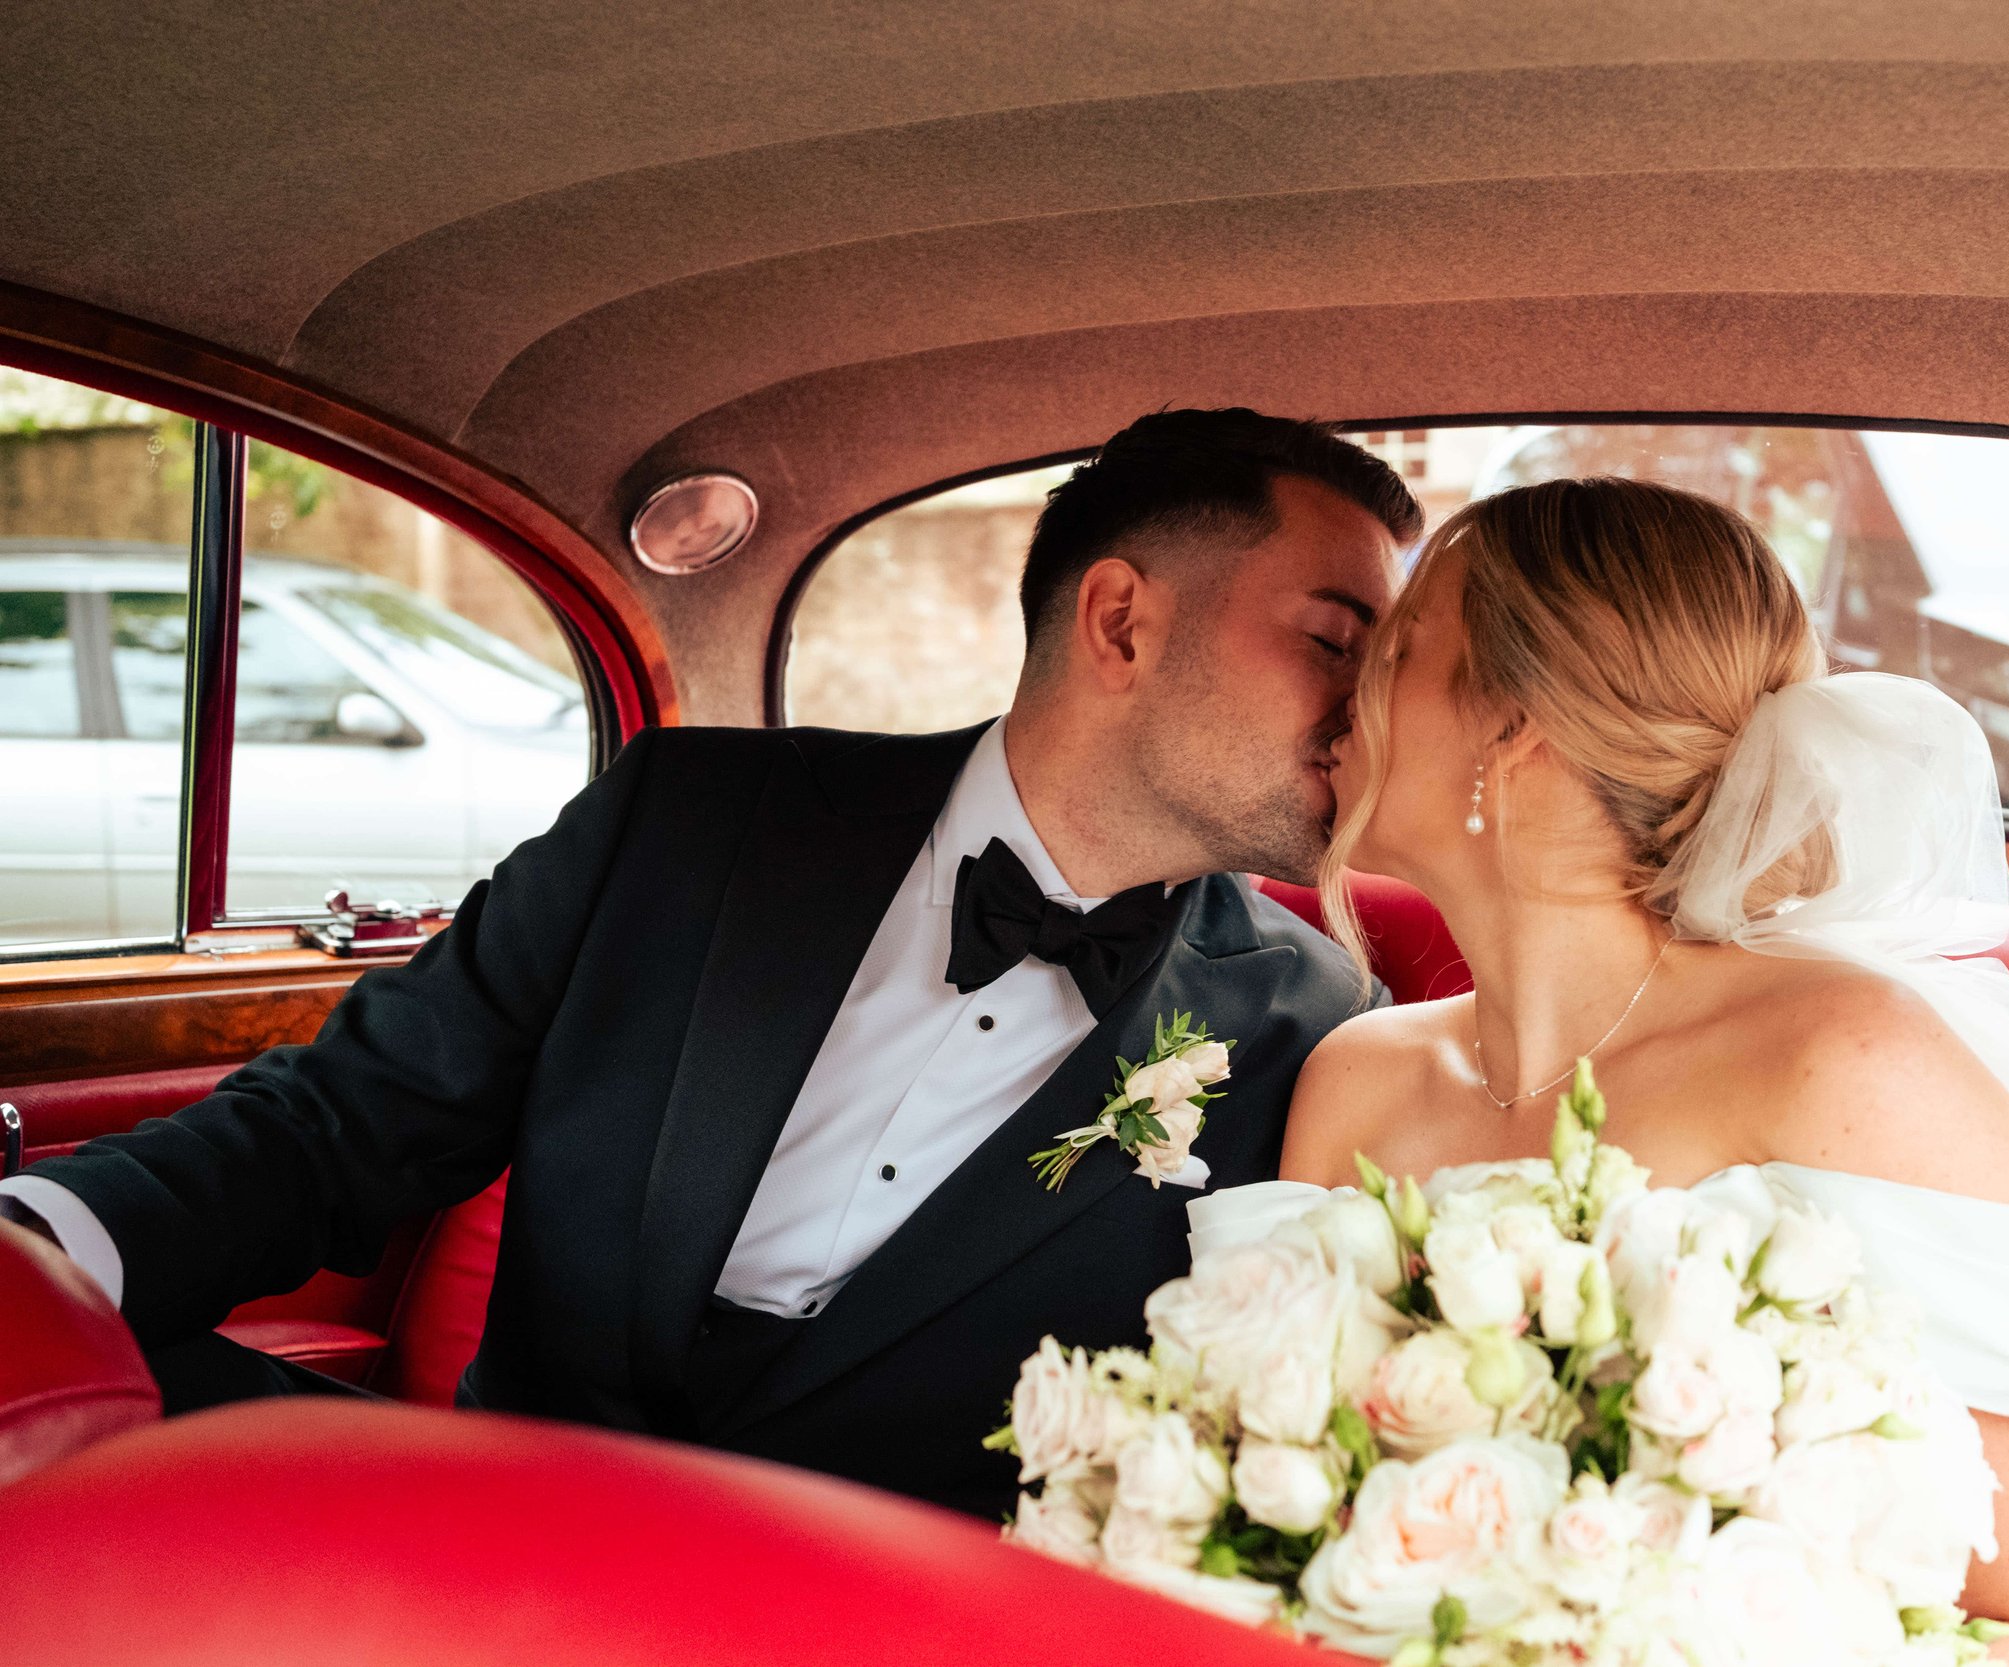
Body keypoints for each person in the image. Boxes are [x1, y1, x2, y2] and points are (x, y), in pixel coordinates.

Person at [0, 406, 1417, 1520]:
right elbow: (332, 1127)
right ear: (1122, 619)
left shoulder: (1320, 1029)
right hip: (488, 1536)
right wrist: (44, 1247)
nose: (1373, 710)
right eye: (1334, 641)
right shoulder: (690, 822)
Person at [1195, 479, 2009, 1665]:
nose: (1344, 687)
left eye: (1397, 645)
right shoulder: (1355, 1076)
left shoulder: (1846, 1060)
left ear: (1518, 728)